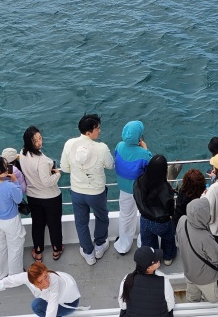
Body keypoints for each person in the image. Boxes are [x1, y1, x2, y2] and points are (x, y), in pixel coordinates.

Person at [60, 113, 114, 265]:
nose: (100, 131)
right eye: (97, 129)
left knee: (81, 222)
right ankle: (100, 244)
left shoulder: (69, 144)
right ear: (89, 132)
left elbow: (64, 167)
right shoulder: (101, 148)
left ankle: (88, 253)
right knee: (102, 217)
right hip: (96, 192)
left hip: (77, 191)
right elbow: (110, 165)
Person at [20, 125, 65, 261]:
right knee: (54, 224)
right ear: (30, 142)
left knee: (38, 224)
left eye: (40, 138)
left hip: (33, 197)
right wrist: (57, 174)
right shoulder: (43, 161)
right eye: (36, 140)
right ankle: (56, 250)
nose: (40, 142)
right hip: (50, 197)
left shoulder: (22, 153)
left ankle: (38, 252)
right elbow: (47, 182)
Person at [0, 261, 81, 317]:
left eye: (46, 276)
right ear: (33, 282)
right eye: (40, 282)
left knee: (36, 305)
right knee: (37, 304)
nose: (46, 282)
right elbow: (12, 280)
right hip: (54, 299)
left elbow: (52, 305)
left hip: (69, 303)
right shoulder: (26, 277)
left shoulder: (54, 281)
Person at [113, 120, 152, 255]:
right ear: (139, 137)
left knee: (125, 216)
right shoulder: (143, 153)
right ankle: (143, 243)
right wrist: (145, 149)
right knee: (145, 216)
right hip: (140, 191)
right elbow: (150, 168)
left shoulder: (119, 146)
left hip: (124, 189)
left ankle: (123, 245)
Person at [176, 197, 218, 303]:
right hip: (207, 279)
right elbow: (217, 259)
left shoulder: (182, 221)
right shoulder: (205, 237)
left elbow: (178, 240)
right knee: (214, 304)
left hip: (189, 274)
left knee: (192, 302)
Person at [134, 154, 177, 264]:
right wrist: (171, 215)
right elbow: (169, 205)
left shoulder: (139, 181)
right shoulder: (165, 188)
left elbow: (136, 197)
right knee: (168, 239)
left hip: (145, 219)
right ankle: (167, 258)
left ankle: (153, 260)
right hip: (162, 222)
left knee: (148, 242)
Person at [0, 155, 25, 281]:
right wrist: (15, 181)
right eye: (3, 168)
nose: (7, 170)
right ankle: (15, 275)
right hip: (10, 221)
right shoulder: (9, 186)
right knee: (15, 248)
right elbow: (19, 199)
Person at [117, 246, 175, 317]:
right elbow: (170, 306)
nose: (159, 260)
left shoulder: (127, 279)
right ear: (148, 268)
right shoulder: (164, 282)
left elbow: (123, 306)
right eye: (156, 261)